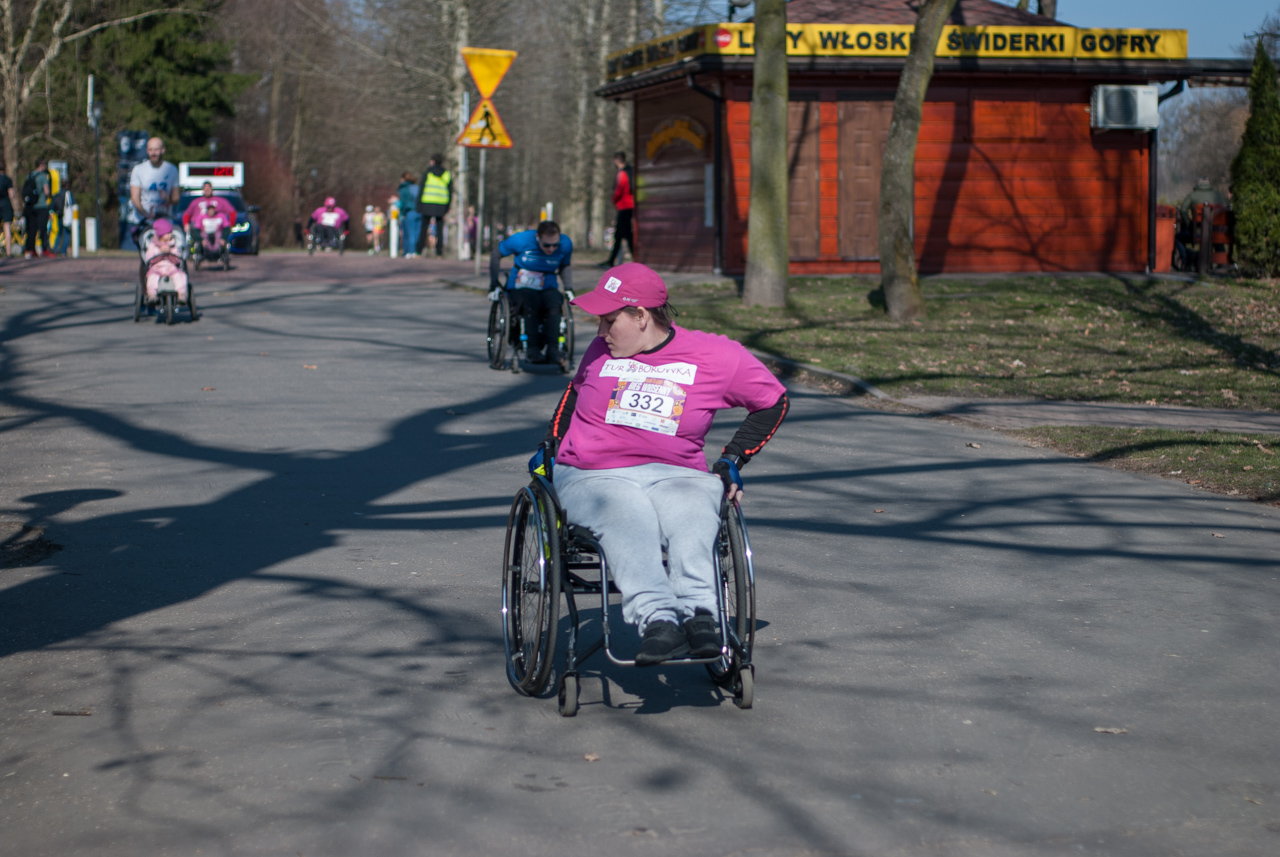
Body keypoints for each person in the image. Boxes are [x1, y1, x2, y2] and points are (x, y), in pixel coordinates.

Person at [533, 263, 789, 665]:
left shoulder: (716, 355)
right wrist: (551, 444)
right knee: (626, 513)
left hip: (677, 472)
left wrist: (732, 460)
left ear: (640, 316)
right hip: (593, 473)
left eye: (609, 320)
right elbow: (574, 394)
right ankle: (658, 618)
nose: (600, 331)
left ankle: (701, 614)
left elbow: (773, 401)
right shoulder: (603, 350)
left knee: (694, 510)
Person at [490, 220, 574, 370]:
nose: (551, 249)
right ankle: (532, 349)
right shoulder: (521, 240)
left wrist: (568, 288)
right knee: (530, 301)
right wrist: (494, 283)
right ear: (538, 237)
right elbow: (496, 254)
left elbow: (564, 265)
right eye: (547, 245)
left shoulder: (565, 244)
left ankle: (553, 350)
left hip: (547, 286)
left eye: (555, 245)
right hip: (520, 287)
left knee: (555, 302)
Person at [597, 151, 635, 268]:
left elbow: (619, 190)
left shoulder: (622, 173)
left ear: (616, 160)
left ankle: (635, 258)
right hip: (629, 206)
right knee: (620, 235)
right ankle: (612, 260)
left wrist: (613, 199)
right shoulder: (631, 171)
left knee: (626, 235)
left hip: (624, 207)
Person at [129, 137, 180, 221]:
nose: (153, 153)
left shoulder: (172, 169)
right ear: (147, 151)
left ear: (163, 150)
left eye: (156, 150)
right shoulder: (138, 169)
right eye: (150, 150)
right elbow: (135, 197)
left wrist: (168, 199)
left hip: (165, 220)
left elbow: (176, 199)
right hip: (143, 221)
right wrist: (145, 214)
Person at [181, 182, 237, 255]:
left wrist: (231, 225)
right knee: (195, 228)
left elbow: (232, 212)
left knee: (222, 231)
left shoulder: (220, 201)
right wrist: (186, 224)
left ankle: (218, 250)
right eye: (205, 188)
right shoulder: (196, 202)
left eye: (209, 188)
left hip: (216, 225)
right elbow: (186, 214)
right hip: (200, 226)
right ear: (203, 189)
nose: (207, 190)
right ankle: (199, 248)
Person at [142, 218, 189, 305]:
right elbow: (149, 257)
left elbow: (178, 257)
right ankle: (152, 294)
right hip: (157, 267)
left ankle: (182, 294)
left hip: (171, 267)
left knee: (180, 276)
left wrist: (171, 252)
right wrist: (160, 252)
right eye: (168, 233)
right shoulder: (153, 245)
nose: (171, 235)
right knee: (152, 277)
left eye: (171, 233)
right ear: (161, 234)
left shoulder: (173, 244)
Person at [416, 154, 451, 257]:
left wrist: (419, 204)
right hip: (441, 204)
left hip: (427, 203)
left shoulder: (428, 172)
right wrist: (448, 206)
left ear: (432, 161)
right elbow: (450, 190)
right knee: (439, 229)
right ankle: (439, 252)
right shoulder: (446, 174)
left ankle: (419, 251)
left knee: (424, 228)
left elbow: (421, 188)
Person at [22, 159, 52, 258]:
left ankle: (30, 249)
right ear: (42, 165)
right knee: (43, 228)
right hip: (41, 205)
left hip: (30, 206)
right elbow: (46, 191)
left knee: (32, 229)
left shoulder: (30, 175)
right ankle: (44, 249)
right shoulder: (43, 176)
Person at [397, 173, 420, 257]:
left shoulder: (403, 188)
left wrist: (402, 214)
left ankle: (410, 251)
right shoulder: (418, 188)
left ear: (403, 179)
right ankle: (416, 251)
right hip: (420, 212)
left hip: (409, 212)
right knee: (417, 233)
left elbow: (403, 202)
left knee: (410, 233)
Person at [0, 164, 15, 257]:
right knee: (7, 227)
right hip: (5, 204)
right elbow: (11, 195)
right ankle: (8, 252)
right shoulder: (8, 180)